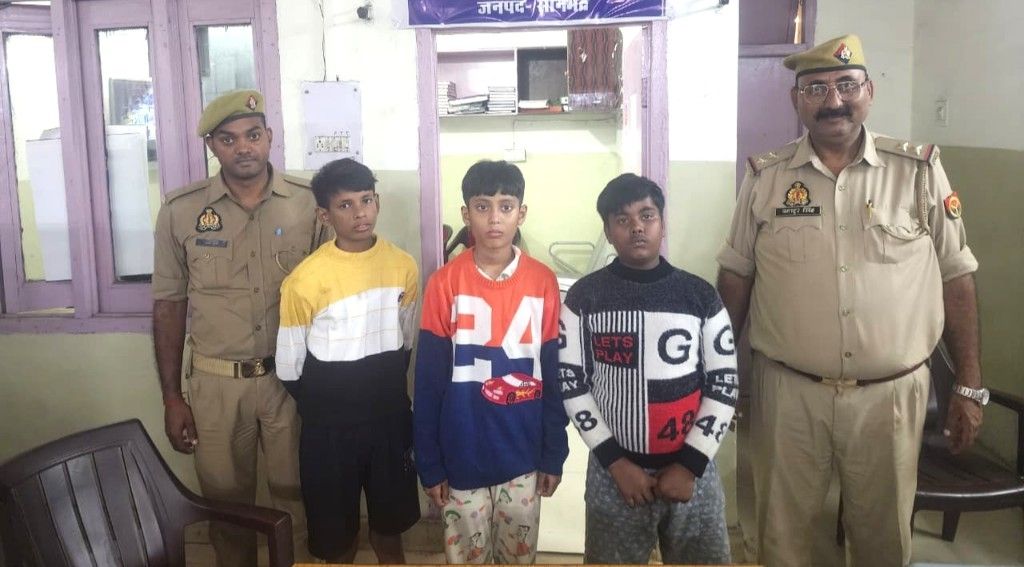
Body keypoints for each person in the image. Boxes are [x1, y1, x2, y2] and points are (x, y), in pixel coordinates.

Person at [716, 35, 984, 567]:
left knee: (883, 541)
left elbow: (957, 277)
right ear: (796, 100)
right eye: (816, 88)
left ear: (869, 91)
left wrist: (970, 383)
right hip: (788, 394)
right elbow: (736, 277)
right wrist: (719, 381)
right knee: (780, 538)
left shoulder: (918, 171)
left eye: (846, 85)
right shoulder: (765, 177)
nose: (833, 100)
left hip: (890, 398)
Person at [152, 89, 327, 566]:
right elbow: (168, 306)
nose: (243, 147)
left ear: (269, 136)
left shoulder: (310, 204)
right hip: (216, 386)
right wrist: (172, 397)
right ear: (212, 145)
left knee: (298, 502)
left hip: (290, 382)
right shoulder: (181, 210)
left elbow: (334, 294)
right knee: (227, 513)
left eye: (252, 135)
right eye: (228, 139)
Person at [559, 174, 736, 564]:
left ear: (662, 223)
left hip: (693, 474)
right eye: (622, 220)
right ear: (608, 232)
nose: (637, 227)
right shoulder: (584, 297)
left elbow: (723, 384)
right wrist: (616, 463)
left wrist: (690, 464)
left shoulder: (700, 295)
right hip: (614, 475)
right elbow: (572, 384)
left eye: (647, 215)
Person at [413, 159, 570, 564]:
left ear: (522, 213)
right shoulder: (444, 283)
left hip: (523, 457)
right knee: (466, 558)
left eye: (506, 206)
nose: (495, 218)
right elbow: (428, 384)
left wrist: (554, 452)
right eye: (482, 207)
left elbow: (553, 375)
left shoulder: (543, 282)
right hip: (460, 455)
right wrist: (429, 463)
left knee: (518, 557)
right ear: (466, 214)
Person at [275, 158, 421, 563]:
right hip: (329, 430)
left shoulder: (403, 266)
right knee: (337, 540)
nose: (360, 213)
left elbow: (405, 341)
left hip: (389, 420)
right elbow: (289, 367)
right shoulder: (304, 280)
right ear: (324, 215)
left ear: (377, 202)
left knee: (389, 531)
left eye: (367, 200)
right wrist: (335, 403)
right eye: (345, 205)